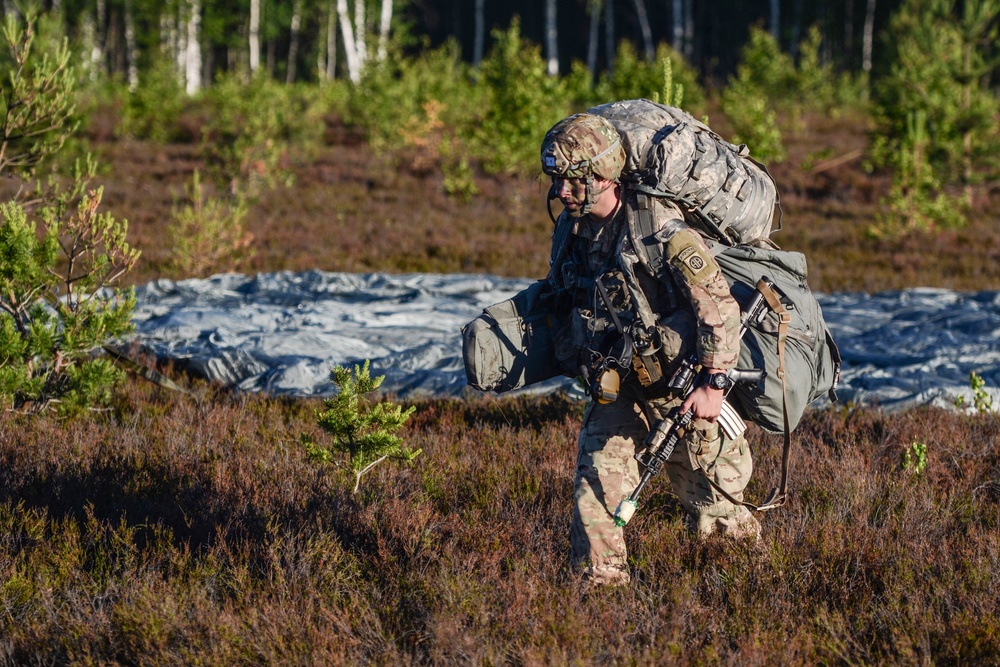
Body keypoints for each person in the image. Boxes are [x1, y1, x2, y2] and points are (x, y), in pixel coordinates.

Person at [540, 113, 761, 587]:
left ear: (604, 176)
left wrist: (713, 382)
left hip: (684, 387)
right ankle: (600, 588)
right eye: (558, 181)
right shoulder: (572, 233)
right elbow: (564, 296)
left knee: (717, 509)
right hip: (620, 383)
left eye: (573, 182)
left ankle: (741, 593)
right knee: (595, 482)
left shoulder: (658, 229)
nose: (562, 192)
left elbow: (719, 308)